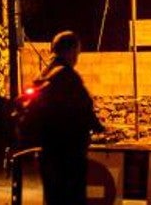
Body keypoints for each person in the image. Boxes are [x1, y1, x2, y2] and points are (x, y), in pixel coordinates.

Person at [31, 31, 105, 205]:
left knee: (54, 198)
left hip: (48, 151)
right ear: (70, 50)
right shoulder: (67, 76)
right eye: (77, 52)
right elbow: (84, 108)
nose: (77, 58)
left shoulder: (44, 74)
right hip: (68, 154)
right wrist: (100, 128)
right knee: (72, 198)